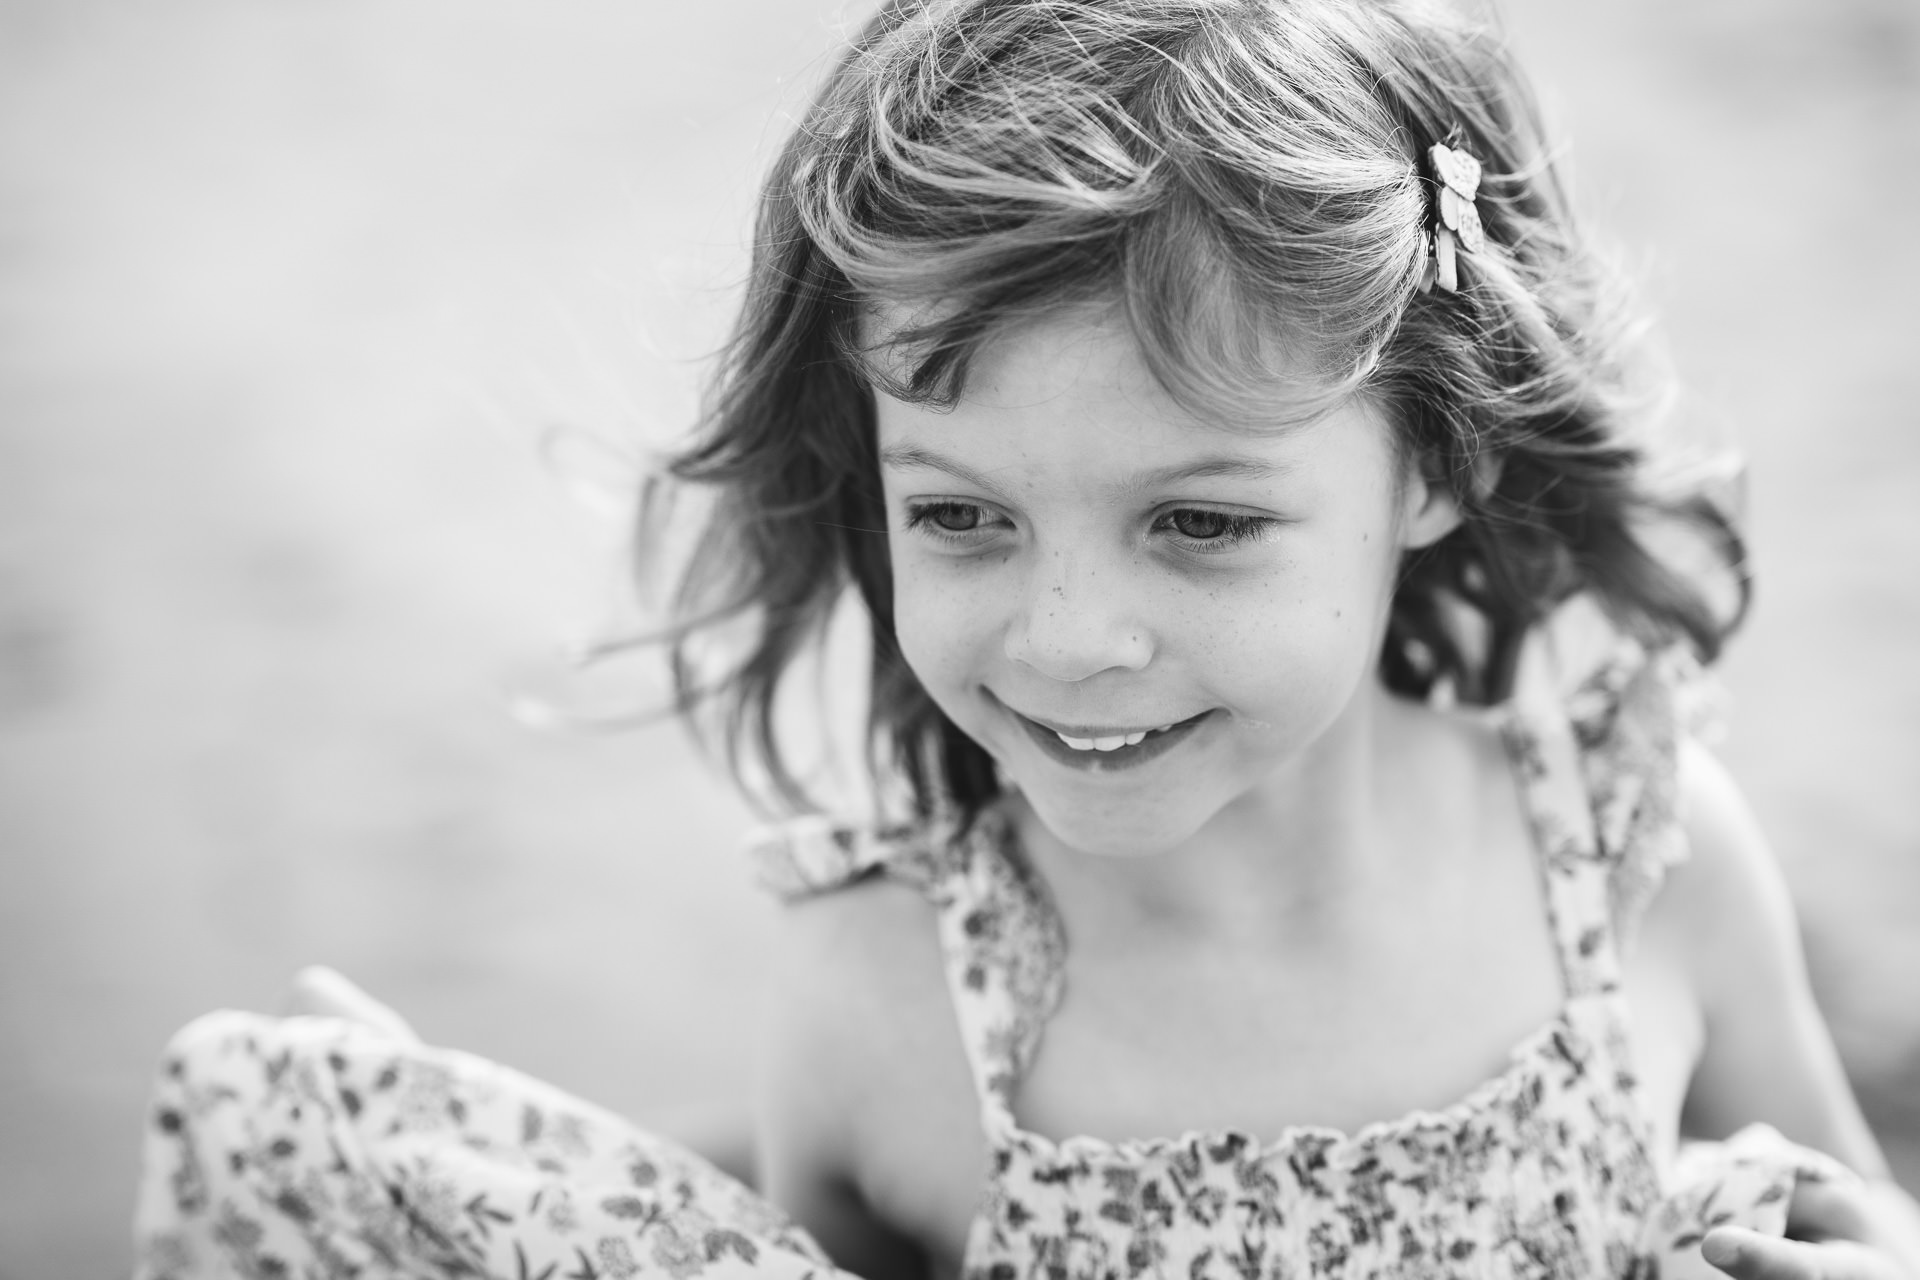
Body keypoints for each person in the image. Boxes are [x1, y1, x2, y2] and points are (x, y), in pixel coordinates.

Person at [133, 1, 1920, 1277]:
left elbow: (1858, 1203)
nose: (1067, 642)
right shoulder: (890, 995)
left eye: (1201, 522)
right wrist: (505, 1205)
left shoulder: (1633, 861)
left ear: (1438, 464)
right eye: (965, 515)